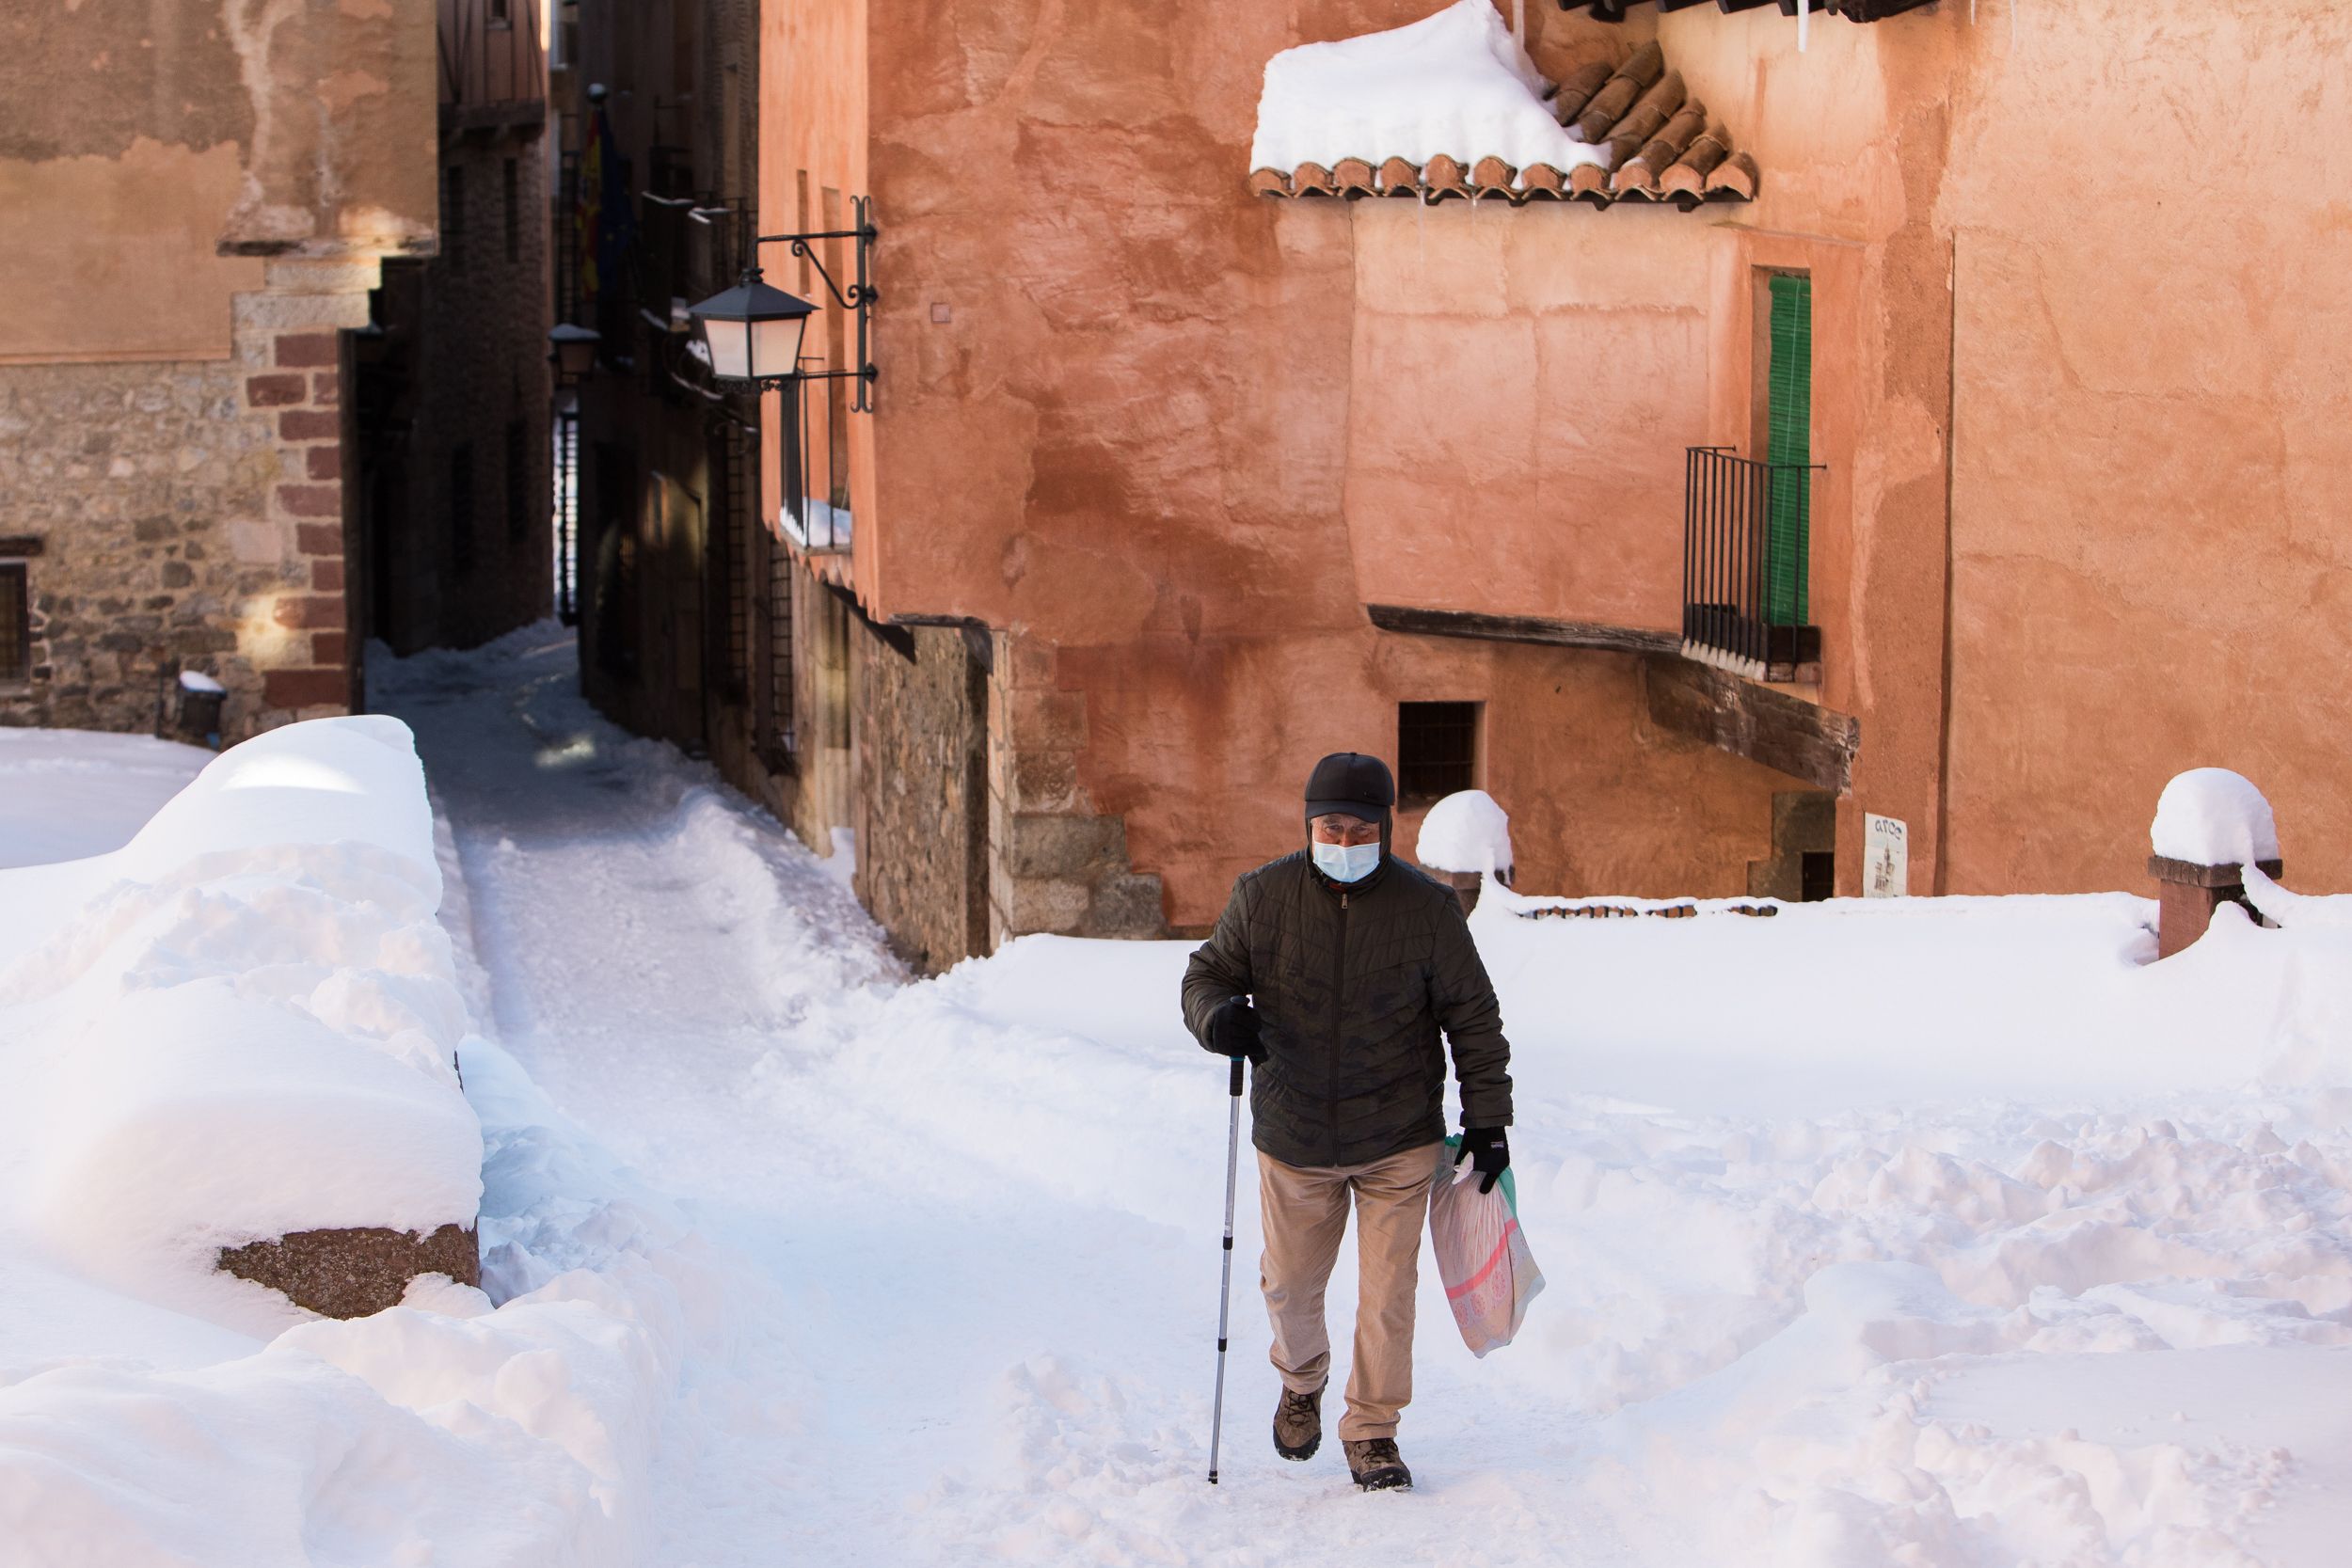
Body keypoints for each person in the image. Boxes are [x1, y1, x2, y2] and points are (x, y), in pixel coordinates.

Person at [1180, 752, 1514, 1492]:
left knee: (1388, 1292)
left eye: (1363, 829)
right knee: (1290, 1286)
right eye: (1332, 826)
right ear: (1308, 825)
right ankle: (1302, 1378)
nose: (1346, 840)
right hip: (1295, 1134)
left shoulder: (1426, 910)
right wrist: (1217, 1018)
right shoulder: (1263, 897)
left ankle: (1373, 1430)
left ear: (1387, 829)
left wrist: (1488, 1120)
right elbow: (1205, 976)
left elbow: (1474, 1019)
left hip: (1397, 1136)